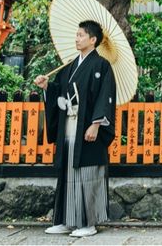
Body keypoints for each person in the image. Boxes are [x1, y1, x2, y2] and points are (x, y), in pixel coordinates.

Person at [35, 20, 116, 238]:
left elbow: (105, 96)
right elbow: (59, 92)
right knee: (68, 172)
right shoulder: (70, 66)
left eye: (81, 35)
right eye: (77, 35)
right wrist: (47, 87)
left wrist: (96, 124)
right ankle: (66, 220)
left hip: (88, 127)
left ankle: (88, 223)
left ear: (93, 40)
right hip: (69, 126)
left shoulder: (102, 66)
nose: (77, 38)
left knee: (87, 174)